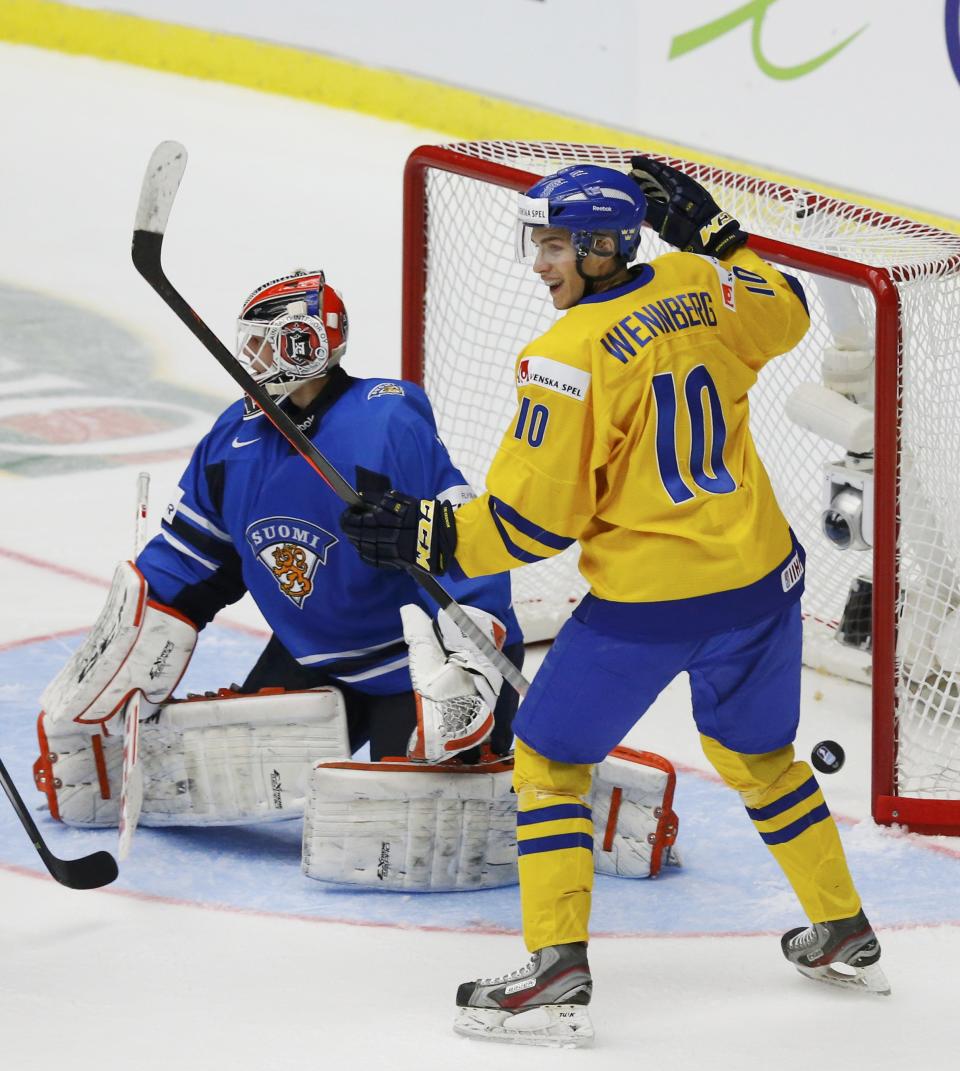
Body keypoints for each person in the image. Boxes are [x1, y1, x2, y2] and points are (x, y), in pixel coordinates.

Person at [341, 160, 888, 1047]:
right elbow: (785, 315)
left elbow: (529, 525)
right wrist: (720, 238)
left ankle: (556, 969)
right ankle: (844, 927)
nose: (539, 263)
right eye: (539, 243)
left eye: (556, 245)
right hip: (761, 581)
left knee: (550, 760)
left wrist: (429, 536)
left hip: (652, 603)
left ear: (602, 248)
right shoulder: (695, 280)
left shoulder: (564, 358)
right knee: (762, 759)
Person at [35, 269, 523, 833]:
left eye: (264, 343)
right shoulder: (232, 441)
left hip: (417, 669)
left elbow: (461, 541)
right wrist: (125, 642)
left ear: (306, 344)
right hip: (314, 657)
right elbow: (193, 562)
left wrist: (473, 666)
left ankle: (491, 738)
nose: (250, 358)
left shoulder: (384, 422)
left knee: (413, 824)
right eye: (250, 343)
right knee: (217, 773)